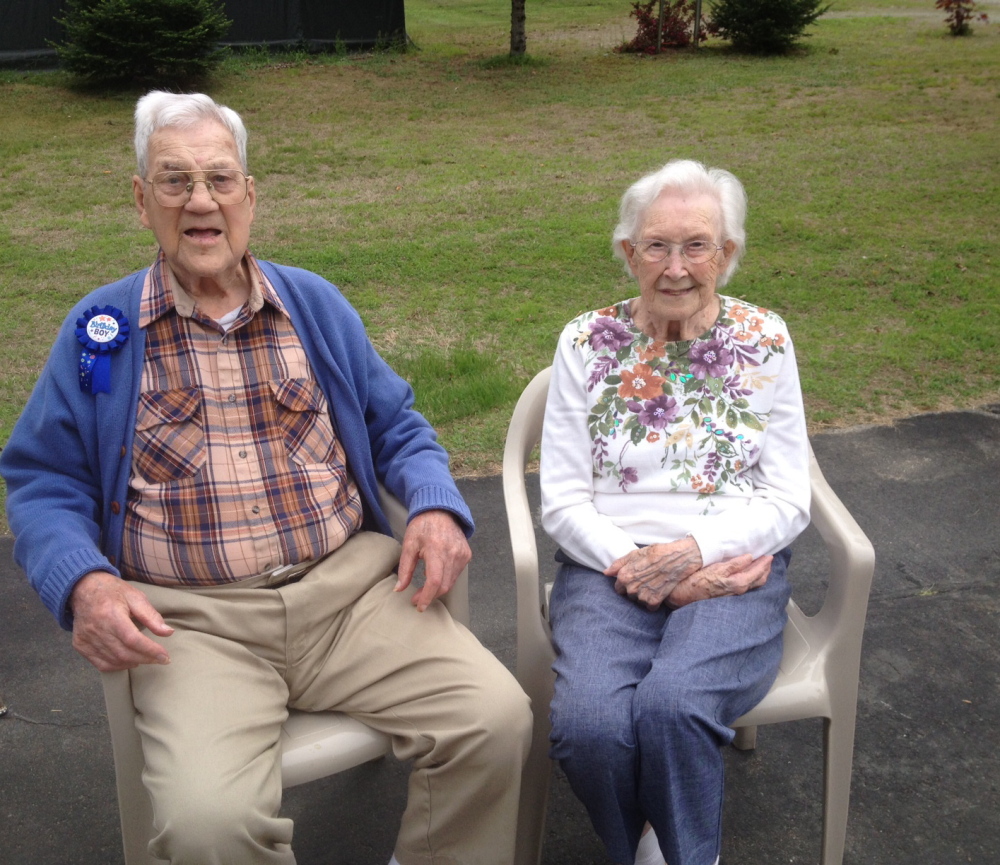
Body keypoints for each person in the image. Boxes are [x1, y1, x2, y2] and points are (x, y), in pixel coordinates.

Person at [0, 90, 530, 865]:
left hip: (350, 596)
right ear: (142, 202)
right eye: (174, 182)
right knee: (207, 825)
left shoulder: (311, 304)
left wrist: (435, 505)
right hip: (197, 626)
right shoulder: (100, 333)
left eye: (220, 178)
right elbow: (43, 479)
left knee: (497, 720)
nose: (200, 201)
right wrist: (84, 584)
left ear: (251, 195)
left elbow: (398, 423)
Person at [539, 160, 811, 865]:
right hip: (607, 565)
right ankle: (642, 840)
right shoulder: (584, 342)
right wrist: (646, 569)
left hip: (732, 565)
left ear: (728, 254)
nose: (677, 266)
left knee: (674, 705)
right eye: (656, 245)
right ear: (628, 253)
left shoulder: (766, 339)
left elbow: (788, 497)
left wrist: (693, 554)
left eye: (699, 246)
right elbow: (563, 499)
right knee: (589, 725)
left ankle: (685, 853)